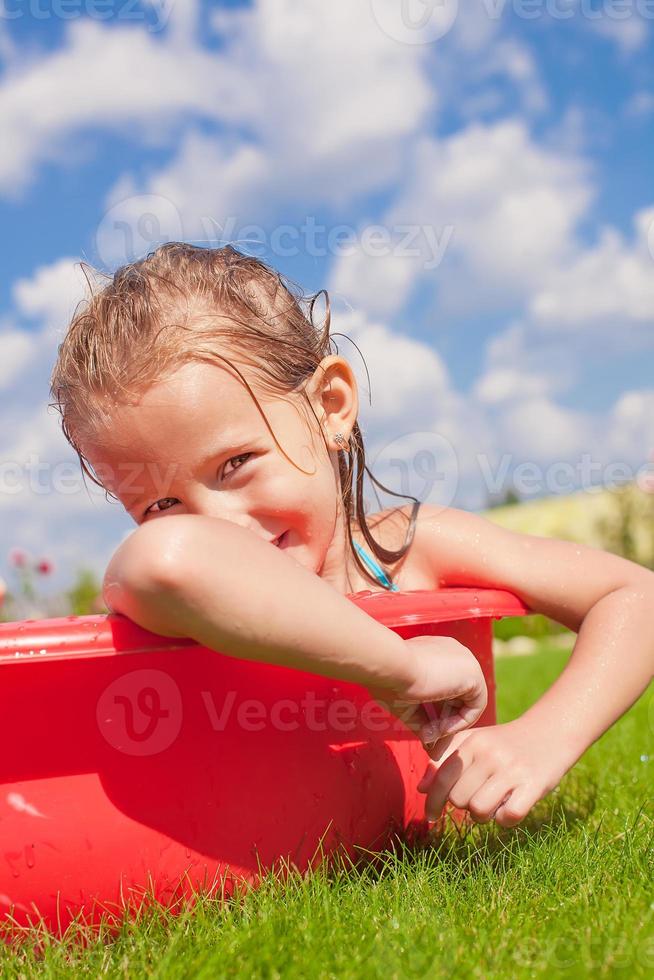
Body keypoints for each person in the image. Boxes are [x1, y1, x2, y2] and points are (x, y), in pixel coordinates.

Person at [49, 243, 654, 829]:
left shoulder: (412, 550)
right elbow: (169, 560)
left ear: (331, 406)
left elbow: (635, 597)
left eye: (236, 464)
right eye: (160, 503)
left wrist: (543, 737)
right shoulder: (168, 588)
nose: (221, 526)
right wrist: (403, 668)